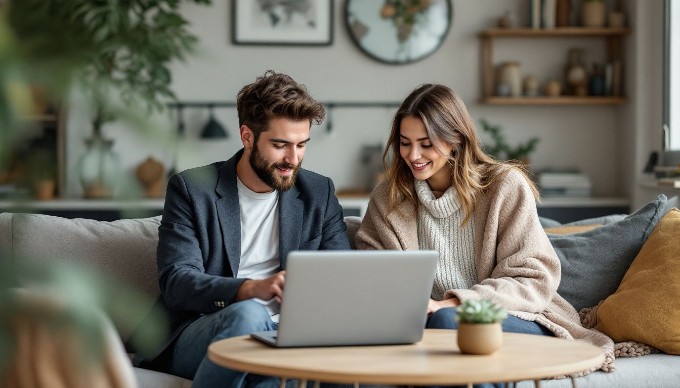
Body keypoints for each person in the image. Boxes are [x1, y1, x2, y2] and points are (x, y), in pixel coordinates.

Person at [355, 84, 613, 371]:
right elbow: (374, 274)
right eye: (405, 142)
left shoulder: (504, 186)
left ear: (455, 140)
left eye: (426, 144)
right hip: (428, 325)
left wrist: (452, 304)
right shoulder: (387, 198)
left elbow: (533, 278)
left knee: (448, 323)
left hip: (517, 316)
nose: (413, 155)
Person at [141, 70, 351, 387]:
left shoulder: (318, 192)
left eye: (301, 145)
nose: (292, 159)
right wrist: (248, 289)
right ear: (247, 136)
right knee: (250, 315)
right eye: (280, 145)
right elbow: (177, 281)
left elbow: (341, 275)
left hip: (287, 336)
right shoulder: (192, 189)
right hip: (207, 328)